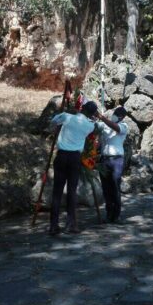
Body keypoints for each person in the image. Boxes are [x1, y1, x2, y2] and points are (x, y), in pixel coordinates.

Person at [49, 101, 98, 236]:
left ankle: (53, 225)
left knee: (57, 192)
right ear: (92, 114)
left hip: (62, 156)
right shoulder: (89, 126)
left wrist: (65, 114)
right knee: (72, 191)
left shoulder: (67, 117)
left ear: (82, 108)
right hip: (75, 159)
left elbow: (53, 121)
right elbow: (94, 125)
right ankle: (71, 224)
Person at [96, 107, 129, 223]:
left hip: (117, 160)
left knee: (115, 187)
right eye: (115, 113)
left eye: (118, 115)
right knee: (106, 188)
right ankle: (108, 213)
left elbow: (116, 128)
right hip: (104, 159)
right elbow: (95, 128)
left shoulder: (124, 126)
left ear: (122, 117)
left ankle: (117, 215)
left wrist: (102, 118)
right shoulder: (104, 125)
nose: (116, 115)